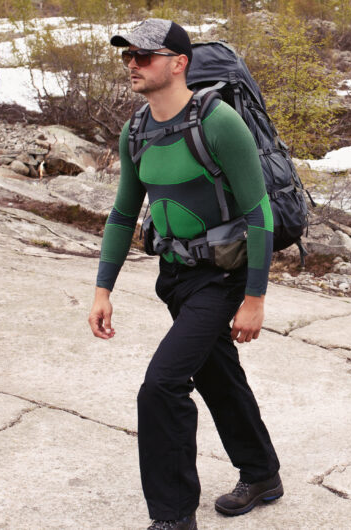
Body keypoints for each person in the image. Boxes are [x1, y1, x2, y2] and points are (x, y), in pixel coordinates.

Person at [87, 19, 281, 530]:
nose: (132, 63)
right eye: (127, 55)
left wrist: (255, 298)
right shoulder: (137, 130)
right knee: (217, 373)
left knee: (162, 386)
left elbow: (259, 213)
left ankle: (172, 518)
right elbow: (123, 214)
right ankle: (262, 472)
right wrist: (102, 288)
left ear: (178, 63)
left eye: (144, 56)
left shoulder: (218, 123)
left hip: (221, 277)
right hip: (174, 276)